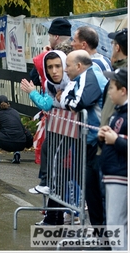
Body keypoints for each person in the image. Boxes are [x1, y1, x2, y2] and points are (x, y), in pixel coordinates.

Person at [21, 50, 72, 225]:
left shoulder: (71, 83)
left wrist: (32, 92)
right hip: (58, 132)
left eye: (58, 66)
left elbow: (49, 105)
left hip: (74, 138)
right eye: (50, 67)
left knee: (65, 174)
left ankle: (64, 211)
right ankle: (53, 216)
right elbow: (48, 103)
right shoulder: (49, 84)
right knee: (51, 159)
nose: (54, 71)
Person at [61, 49, 108, 231]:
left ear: (79, 66)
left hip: (98, 141)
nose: (65, 70)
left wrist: (70, 102)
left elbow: (78, 102)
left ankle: (104, 234)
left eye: (67, 66)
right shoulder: (82, 78)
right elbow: (67, 99)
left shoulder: (90, 75)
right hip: (90, 140)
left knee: (97, 190)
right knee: (91, 188)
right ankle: (99, 232)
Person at [98, 68, 128, 251]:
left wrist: (115, 140)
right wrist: (105, 137)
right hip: (115, 173)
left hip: (121, 175)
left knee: (116, 227)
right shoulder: (119, 112)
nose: (109, 92)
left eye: (112, 88)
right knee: (116, 226)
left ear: (123, 90)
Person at [0, 95, 27, 164]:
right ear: (8, 104)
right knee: (16, 130)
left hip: (6, 143)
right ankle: (17, 154)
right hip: (21, 144)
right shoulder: (15, 112)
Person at [29, 17, 72, 86]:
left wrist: (43, 56)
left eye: (50, 36)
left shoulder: (53, 55)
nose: (49, 39)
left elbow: (34, 79)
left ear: (56, 37)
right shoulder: (76, 54)